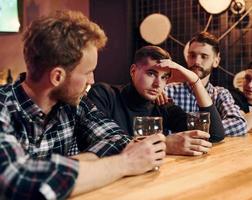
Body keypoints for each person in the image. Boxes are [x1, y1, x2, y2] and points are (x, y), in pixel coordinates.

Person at [0, 10, 166, 200]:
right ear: (57, 77)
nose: (92, 80)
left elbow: (117, 140)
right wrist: (125, 163)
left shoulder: (74, 103)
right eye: (88, 72)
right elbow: (18, 182)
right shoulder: (3, 107)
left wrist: (49, 167)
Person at [88, 45, 224, 156]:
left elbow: (214, 134)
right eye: (151, 73)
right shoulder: (104, 94)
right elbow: (100, 143)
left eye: (165, 77)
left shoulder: (161, 104)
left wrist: (195, 81)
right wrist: (164, 143)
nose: (158, 84)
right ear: (133, 71)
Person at [162, 31, 247, 136]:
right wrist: (211, 129)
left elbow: (239, 124)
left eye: (204, 56)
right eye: (192, 55)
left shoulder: (220, 94)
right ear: (187, 58)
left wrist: (195, 129)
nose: (197, 61)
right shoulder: (168, 90)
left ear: (216, 61)